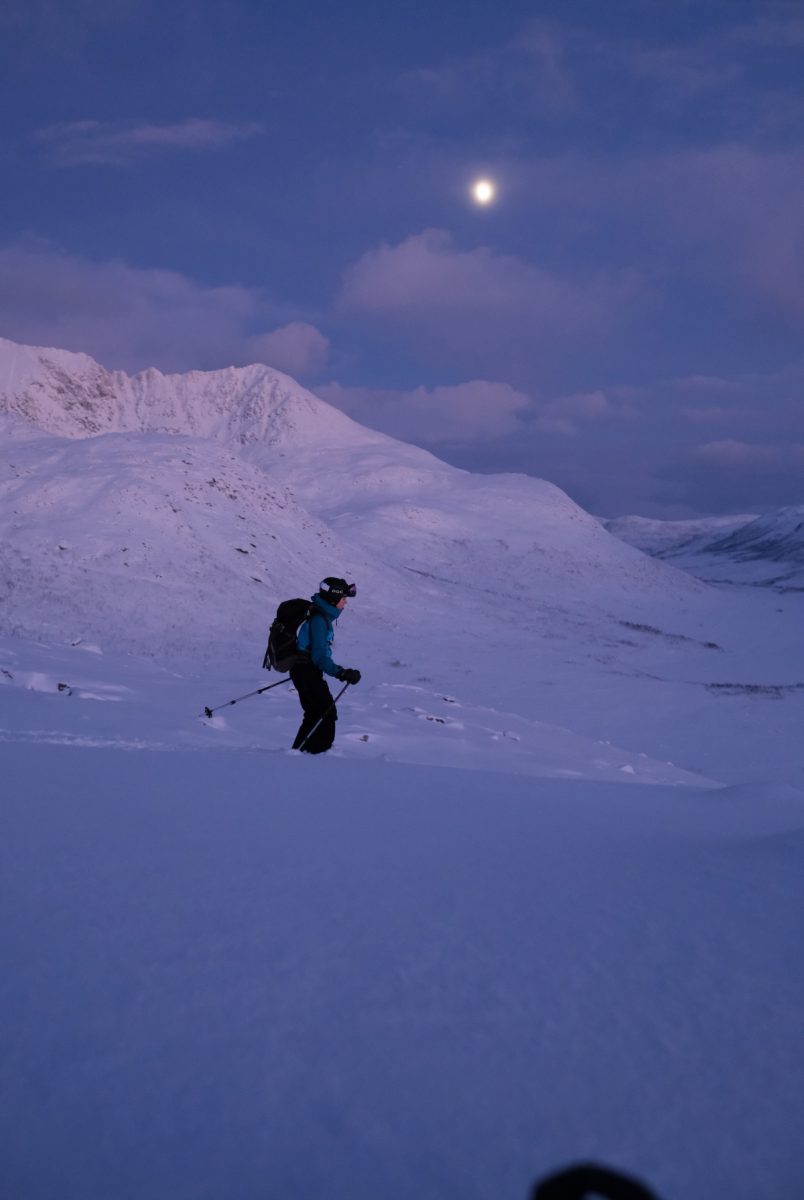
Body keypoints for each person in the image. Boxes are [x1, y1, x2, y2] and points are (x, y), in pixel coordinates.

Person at [290, 577, 361, 754]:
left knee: (316, 714)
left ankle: (299, 754)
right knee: (326, 714)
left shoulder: (320, 616)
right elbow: (320, 656)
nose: (345, 602)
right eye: (343, 598)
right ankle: (314, 756)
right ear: (333, 599)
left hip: (304, 670)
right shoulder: (319, 621)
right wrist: (341, 673)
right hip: (307, 671)